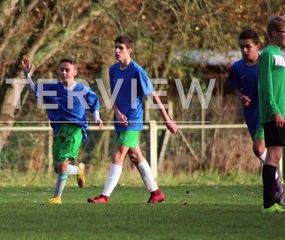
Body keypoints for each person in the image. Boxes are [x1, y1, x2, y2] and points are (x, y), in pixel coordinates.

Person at [87, 35, 178, 204]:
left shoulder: (137, 71)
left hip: (134, 120)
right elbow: (112, 96)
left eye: (121, 48)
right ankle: (156, 193)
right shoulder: (113, 70)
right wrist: (117, 112)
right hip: (120, 120)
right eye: (115, 47)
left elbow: (153, 96)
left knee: (118, 154)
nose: (116, 51)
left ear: (129, 50)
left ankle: (104, 196)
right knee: (135, 156)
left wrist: (167, 119)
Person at [22, 57, 103, 204]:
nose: (64, 72)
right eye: (62, 70)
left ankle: (57, 197)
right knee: (58, 168)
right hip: (60, 130)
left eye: (67, 70)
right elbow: (34, 89)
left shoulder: (82, 89)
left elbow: (94, 103)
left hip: (76, 130)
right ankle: (78, 170)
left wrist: (97, 118)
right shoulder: (53, 89)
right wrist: (27, 75)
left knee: (63, 165)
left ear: (75, 72)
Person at [227, 29, 285, 206]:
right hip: (251, 115)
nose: (245, 50)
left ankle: (276, 183)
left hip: (267, 112)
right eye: (242, 48)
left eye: (248, 47)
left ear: (258, 47)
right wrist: (240, 96)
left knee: (258, 147)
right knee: (261, 151)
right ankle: (277, 186)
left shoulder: (268, 61)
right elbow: (235, 87)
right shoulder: (237, 68)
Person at [258, 15, 285, 214]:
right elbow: (265, 87)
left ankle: (273, 201)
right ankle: (268, 204)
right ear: (274, 33)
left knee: (276, 155)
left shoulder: (279, 55)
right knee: (272, 157)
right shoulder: (267, 54)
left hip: (284, 114)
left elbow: (284, 81)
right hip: (275, 115)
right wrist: (276, 111)